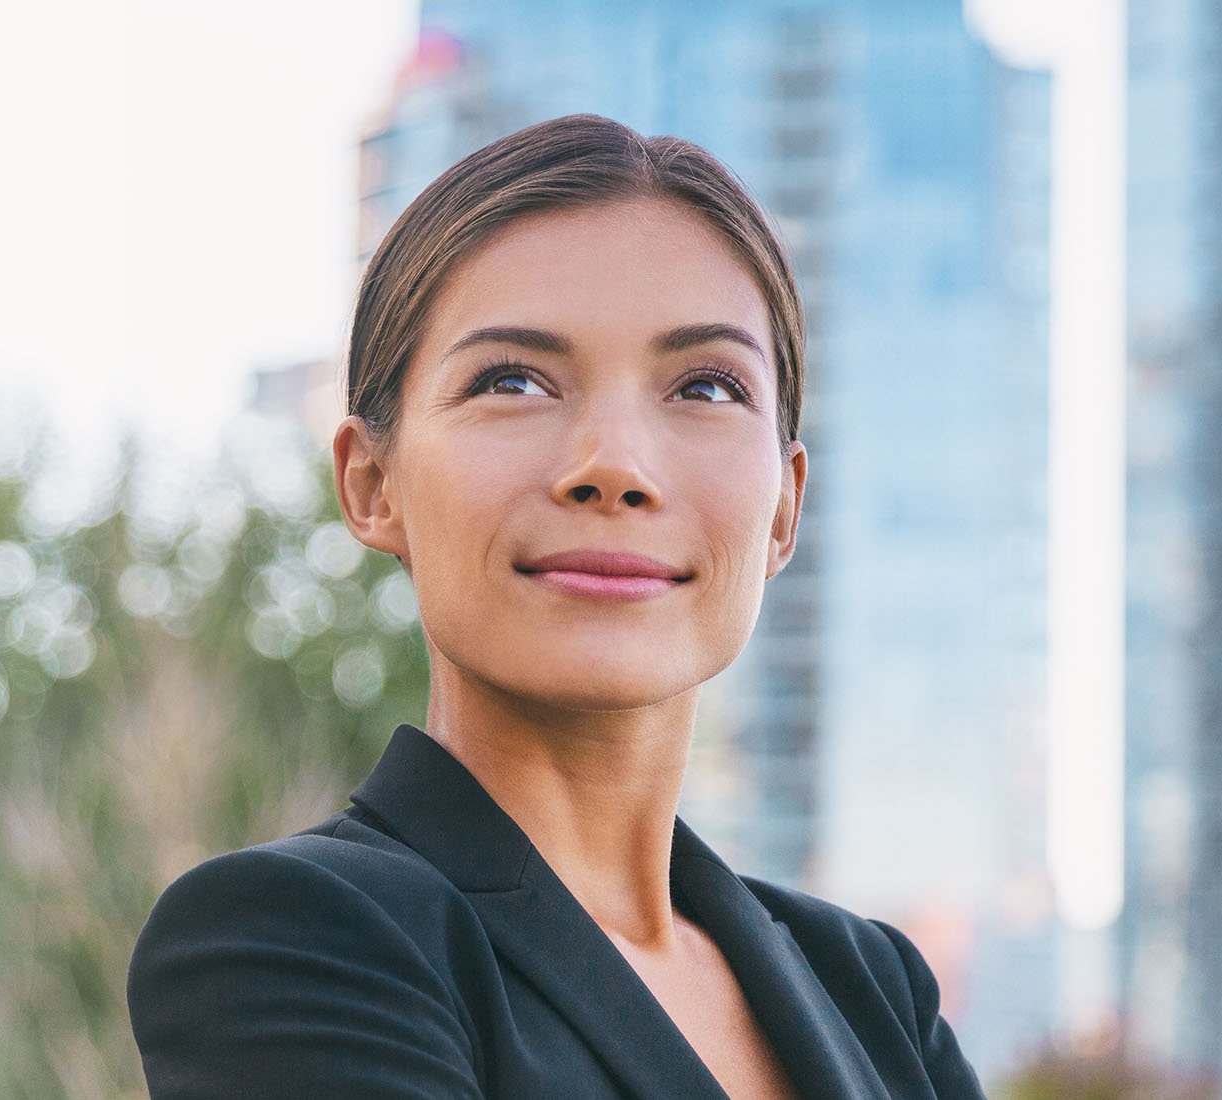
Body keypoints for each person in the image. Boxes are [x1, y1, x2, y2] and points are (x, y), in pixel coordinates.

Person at [122, 113, 991, 1100]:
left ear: (785, 507)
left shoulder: (875, 991)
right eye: (514, 380)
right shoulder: (288, 935)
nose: (613, 464)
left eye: (705, 386)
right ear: (373, 483)